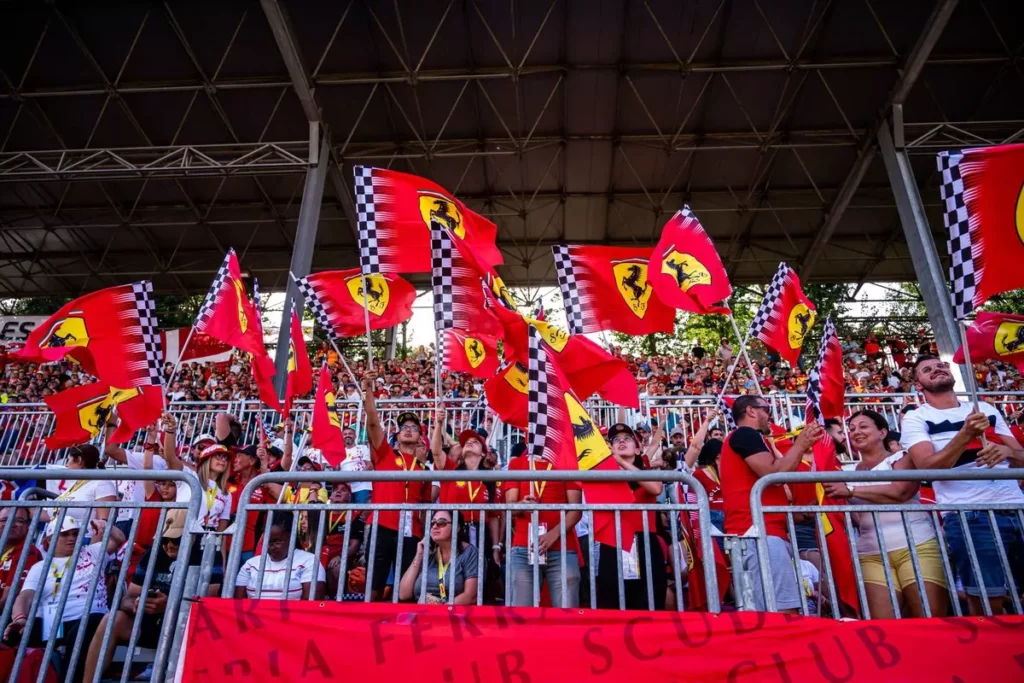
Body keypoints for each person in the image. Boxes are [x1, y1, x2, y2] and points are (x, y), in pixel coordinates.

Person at [902, 356, 1024, 615]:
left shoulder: (986, 409)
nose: (937, 369)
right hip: (969, 515)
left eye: (941, 365)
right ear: (918, 385)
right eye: (927, 369)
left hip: (1017, 508)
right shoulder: (915, 418)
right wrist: (965, 434)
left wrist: (1006, 451)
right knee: (987, 600)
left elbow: (1020, 458)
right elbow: (928, 468)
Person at [824, 410, 948, 618]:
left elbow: (900, 492)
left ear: (882, 432)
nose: (856, 432)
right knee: (884, 626)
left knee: (929, 619)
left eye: (864, 426)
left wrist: (852, 490)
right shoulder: (847, 471)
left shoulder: (902, 458)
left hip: (917, 546)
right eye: (852, 429)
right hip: (870, 554)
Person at [720, 395, 823, 612]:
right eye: (766, 409)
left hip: (757, 534)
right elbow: (773, 473)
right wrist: (802, 444)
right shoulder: (745, 434)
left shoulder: (752, 439)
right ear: (751, 411)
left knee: (760, 612)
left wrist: (805, 513)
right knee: (783, 612)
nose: (770, 416)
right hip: (758, 534)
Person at [5, 517, 125, 683]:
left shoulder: (92, 552)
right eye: (65, 534)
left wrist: (105, 526)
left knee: (85, 628)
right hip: (51, 622)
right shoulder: (39, 567)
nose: (72, 538)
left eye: (75, 533)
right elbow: (25, 596)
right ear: (50, 539)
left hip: (88, 617)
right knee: (14, 633)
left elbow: (119, 538)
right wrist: (20, 619)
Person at [81, 515, 184, 682]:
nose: (169, 545)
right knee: (112, 619)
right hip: (152, 624)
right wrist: (137, 604)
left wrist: (169, 606)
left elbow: (209, 602)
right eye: (165, 539)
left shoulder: (206, 555)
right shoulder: (154, 553)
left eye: (176, 540)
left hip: (187, 628)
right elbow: (127, 599)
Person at [360, 374, 432, 601]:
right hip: (381, 525)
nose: (408, 429)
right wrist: (368, 390)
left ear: (421, 437)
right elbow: (372, 422)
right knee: (374, 582)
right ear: (397, 435)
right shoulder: (385, 454)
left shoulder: (425, 470)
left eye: (414, 427)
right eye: (404, 427)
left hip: (412, 531)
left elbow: (427, 503)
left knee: (406, 587)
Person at [598, 423, 665, 610]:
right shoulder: (605, 475)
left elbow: (656, 488)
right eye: (616, 440)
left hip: (644, 541)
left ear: (638, 448)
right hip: (613, 542)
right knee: (613, 603)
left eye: (627, 439)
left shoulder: (648, 472)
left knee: (649, 601)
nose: (621, 441)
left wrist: (622, 463)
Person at [504, 449, 582, 608]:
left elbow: (576, 510)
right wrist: (522, 505)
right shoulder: (517, 464)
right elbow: (509, 508)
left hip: (562, 547)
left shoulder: (567, 462)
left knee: (566, 615)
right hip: (523, 548)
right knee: (522, 614)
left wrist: (552, 535)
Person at [431, 409, 502, 566]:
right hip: (454, 532)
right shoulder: (450, 471)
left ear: (483, 454)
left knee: (480, 581)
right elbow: (436, 452)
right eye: (466, 442)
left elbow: (493, 517)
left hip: (481, 533)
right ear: (462, 452)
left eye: (475, 442)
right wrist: (439, 423)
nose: (469, 442)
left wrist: (496, 546)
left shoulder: (490, 480)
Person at [235, 513, 326, 600]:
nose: (271, 547)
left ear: (290, 538)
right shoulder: (250, 564)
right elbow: (238, 603)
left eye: (277, 542)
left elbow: (311, 605)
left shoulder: (309, 561)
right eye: (267, 542)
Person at [398, 510, 479, 604]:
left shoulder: (470, 553)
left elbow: (471, 595)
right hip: (422, 613)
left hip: (452, 614)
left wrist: (440, 610)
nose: (435, 526)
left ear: (457, 527)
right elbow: (403, 594)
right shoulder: (427, 553)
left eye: (441, 522)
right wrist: (419, 555)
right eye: (432, 523)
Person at [44, 444, 117, 529]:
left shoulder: (102, 484)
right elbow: (53, 513)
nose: (67, 465)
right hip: (62, 537)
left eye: (68, 460)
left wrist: (94, 543)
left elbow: (102, 526)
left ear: (79, 460)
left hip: (84, 538)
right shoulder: (76, 483)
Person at [0, 507, 43, 603]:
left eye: (19, 521)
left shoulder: (28, 553)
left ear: (28, 525)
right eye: (4, 520)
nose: (11, 524)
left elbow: (8, 600)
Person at [338, 425, 373, 504]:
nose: (347, 435)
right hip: (346, 488)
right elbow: (336, 469)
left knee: (362, 512)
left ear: (355, 436)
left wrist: (357, 477)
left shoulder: (362, 448)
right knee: (348, 514)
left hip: (362, 486)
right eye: (345, 434)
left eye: (350, 434)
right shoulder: (340, 452)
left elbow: (370, 466)